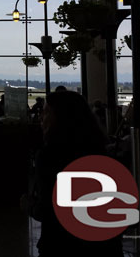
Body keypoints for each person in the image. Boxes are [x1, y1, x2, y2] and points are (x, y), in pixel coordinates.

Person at [33, 91, 122, 256]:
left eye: (46, 113)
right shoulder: (100, 153)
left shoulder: (49, 156)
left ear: (59, 118)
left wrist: (28, 205)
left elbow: (49, 210)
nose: (41, 118)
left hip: (61, 244)